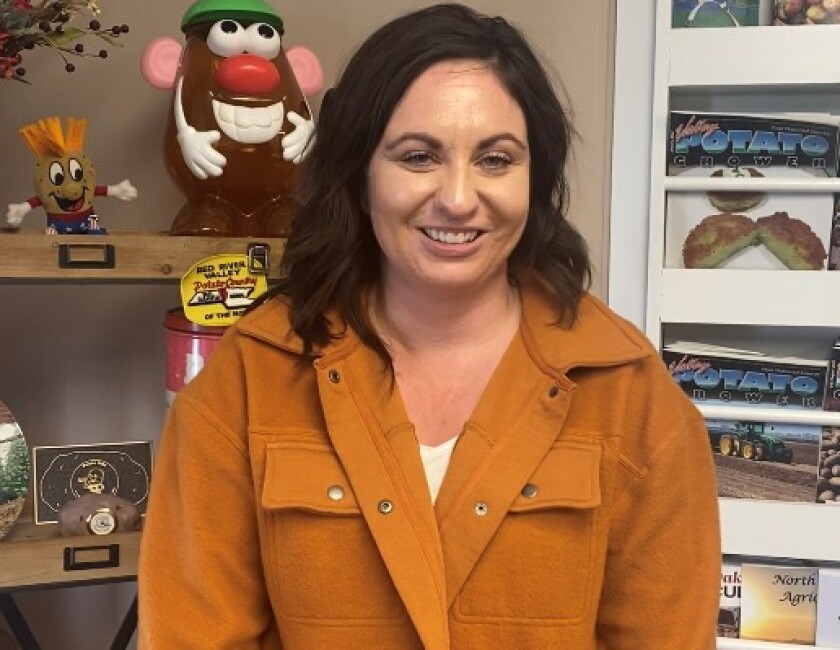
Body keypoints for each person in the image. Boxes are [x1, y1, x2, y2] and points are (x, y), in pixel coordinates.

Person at [138, 4, 721, 648]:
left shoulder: (631, 396)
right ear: (359, 175)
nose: (459, 198)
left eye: (496, 160)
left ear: (537, 178)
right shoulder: (249, 378)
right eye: (418, 156)